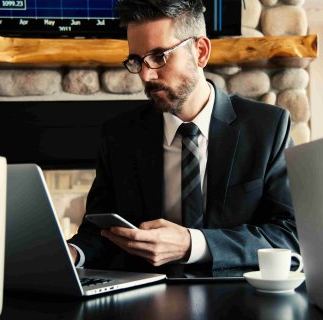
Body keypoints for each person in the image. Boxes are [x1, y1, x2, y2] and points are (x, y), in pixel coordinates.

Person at [67, 0, 299, 273]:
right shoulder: (119, 135)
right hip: (147, 301)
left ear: (200, 52)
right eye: (136, 60)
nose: (146, 74)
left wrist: (194, 244)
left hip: (237, 297)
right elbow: (100, 231)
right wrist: (73, 252)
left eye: (159, 57)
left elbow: (290, 235)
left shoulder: (268, 128)